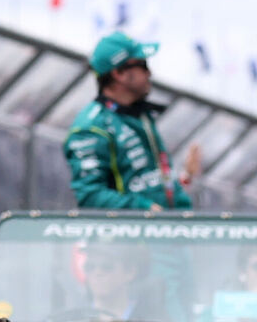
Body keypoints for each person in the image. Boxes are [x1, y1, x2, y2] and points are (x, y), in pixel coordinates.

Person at [65, 32, 198, 210]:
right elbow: (90, 196)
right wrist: (143, 209)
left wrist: (185, 177)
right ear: (118, 73)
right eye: (142, 65)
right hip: (129, 236)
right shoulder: (92, 126)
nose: (149, 73)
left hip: (166, 232)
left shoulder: (141, 116)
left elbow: (156, 185)